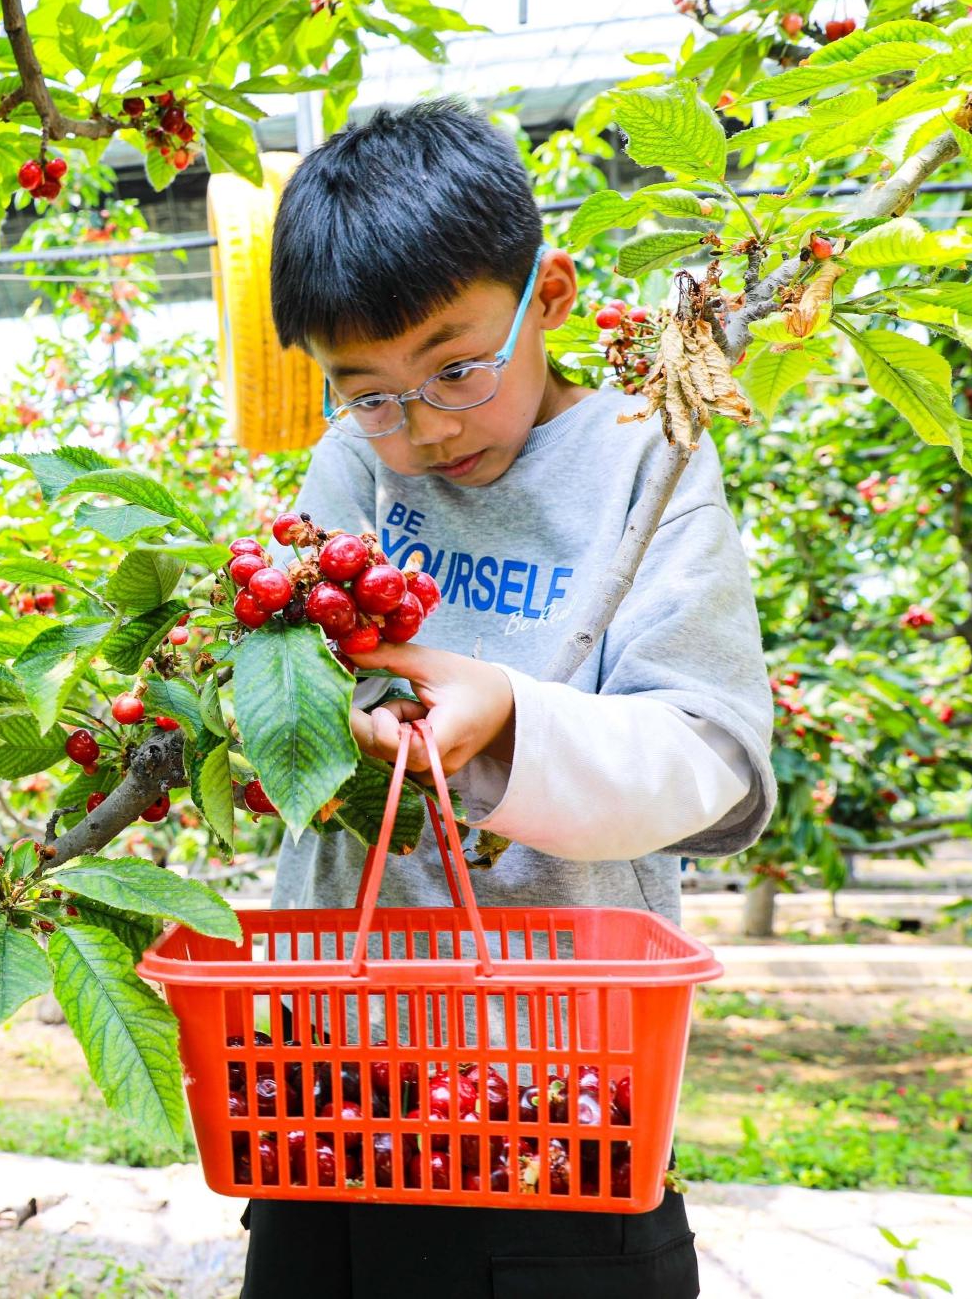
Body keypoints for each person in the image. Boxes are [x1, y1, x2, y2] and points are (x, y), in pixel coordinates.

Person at [241, 97, 775, 1297]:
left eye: (456, 366)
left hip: (561, 1082)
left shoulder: (649, 458)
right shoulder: (353, 469)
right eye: (365, 389)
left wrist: (512, 720)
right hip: (344, 1070)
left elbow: (716, 758)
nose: (421, 425)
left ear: (552, 293)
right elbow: (302, 685)